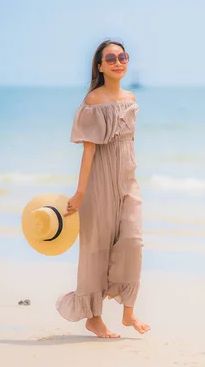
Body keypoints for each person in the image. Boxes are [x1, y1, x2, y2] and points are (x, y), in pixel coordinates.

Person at [56, 39, 150, 338]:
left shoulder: (130, 97)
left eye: (123, 56)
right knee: (96, 247)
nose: (118, 62)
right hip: (99, 181)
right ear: (99, 66)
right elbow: (89, 151)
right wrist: (80, 192)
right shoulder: (94, 102)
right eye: (110, 58)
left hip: (127, 179)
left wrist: (130, 173)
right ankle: (93, 317)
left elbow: (128, 143)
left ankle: (128, 312)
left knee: (132, 240)